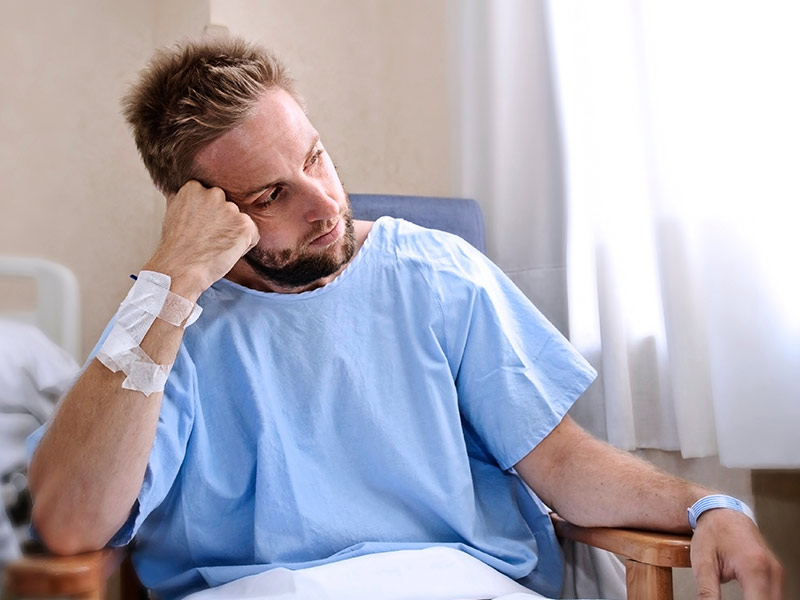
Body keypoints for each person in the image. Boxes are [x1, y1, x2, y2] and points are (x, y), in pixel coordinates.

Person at [27, 36, 782, 600]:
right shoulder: (164, 330)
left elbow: (564, 465)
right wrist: (170, 285)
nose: (324, 204)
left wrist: (707, 504)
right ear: (202, 210)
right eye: (269, 196)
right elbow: (67, 525)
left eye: (315, 158)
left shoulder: (438, 274)